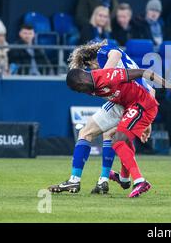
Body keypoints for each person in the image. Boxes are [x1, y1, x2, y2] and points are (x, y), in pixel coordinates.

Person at [50, 65, 171, 198]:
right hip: (125, 105)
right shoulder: (90, 85)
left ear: (81, 81)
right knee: (98, 134)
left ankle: (140, 181)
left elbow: (143, 72)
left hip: (142, 104)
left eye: (77, 89)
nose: (80, 92)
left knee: (117, 140)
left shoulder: (108, 76)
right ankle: (116, 178)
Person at [50, 41, 154, 195]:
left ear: (90, 61)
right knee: (102, 134)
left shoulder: (104, 52)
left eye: (89, 68)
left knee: (90, 133)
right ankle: (105, 180)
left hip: (131, 101)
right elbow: (151, 89)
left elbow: (116, 53)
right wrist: (148, 121)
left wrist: (104, 74)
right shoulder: (118, 69)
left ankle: (79, 180)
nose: (91, 71)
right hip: (132, 101)